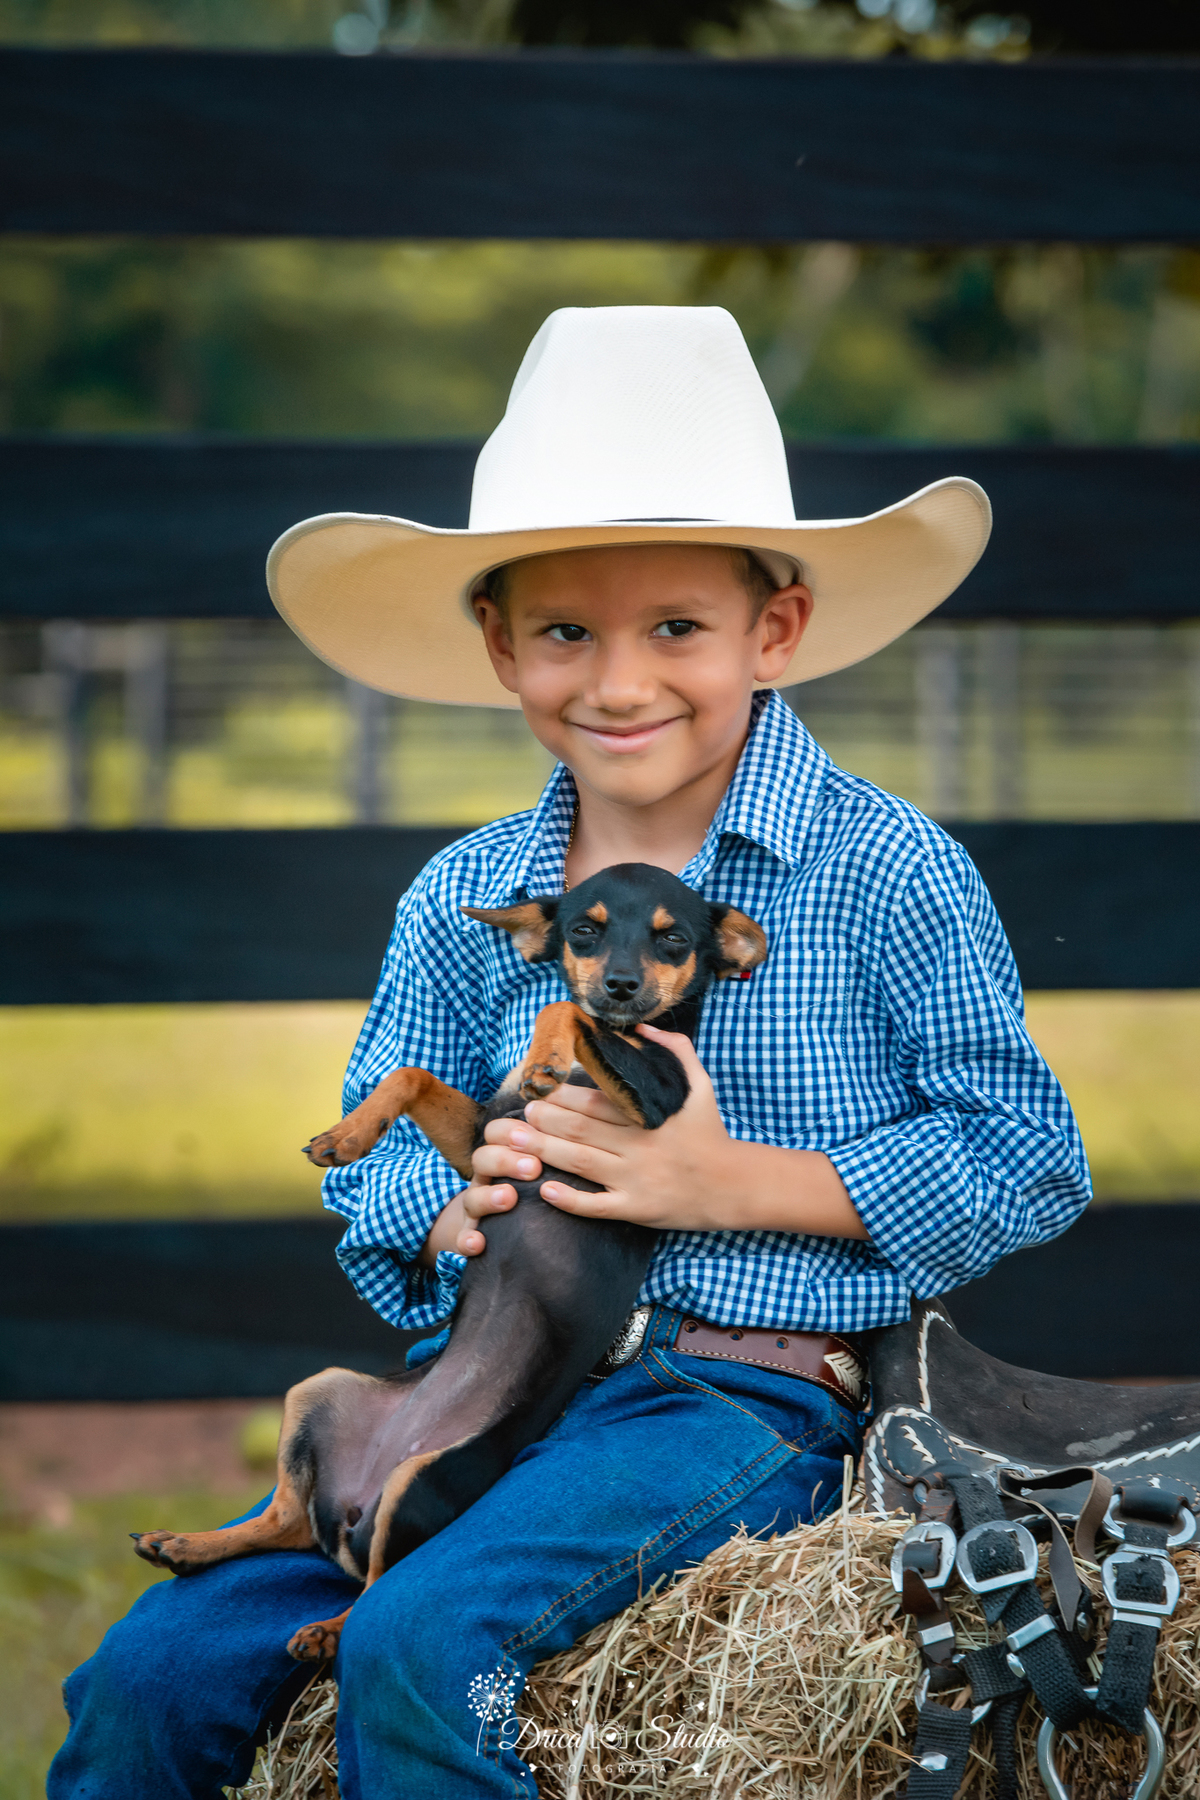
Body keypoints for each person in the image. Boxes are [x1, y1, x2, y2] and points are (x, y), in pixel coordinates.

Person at [49, 306, 1090, 1800]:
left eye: (675, 627)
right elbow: (371, 1165)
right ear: (499, 644)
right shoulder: (461, 897)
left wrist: (728, 1182)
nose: (617, 681)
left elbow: (1025, 1156)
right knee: (152, 1674)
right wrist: (443, 1209)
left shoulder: (885, 870)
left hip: (734, 1395)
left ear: (774, 630)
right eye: (564, 631)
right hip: (478, 1381)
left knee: (421, 1644)